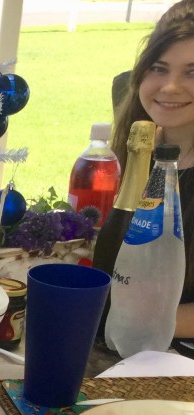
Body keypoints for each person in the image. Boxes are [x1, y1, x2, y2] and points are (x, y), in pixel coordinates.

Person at [104, 0, 194, 344]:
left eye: (192, 72)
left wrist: (133, 320)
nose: (170, 87)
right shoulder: (135, 150)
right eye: (159, 68)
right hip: (119, 343)